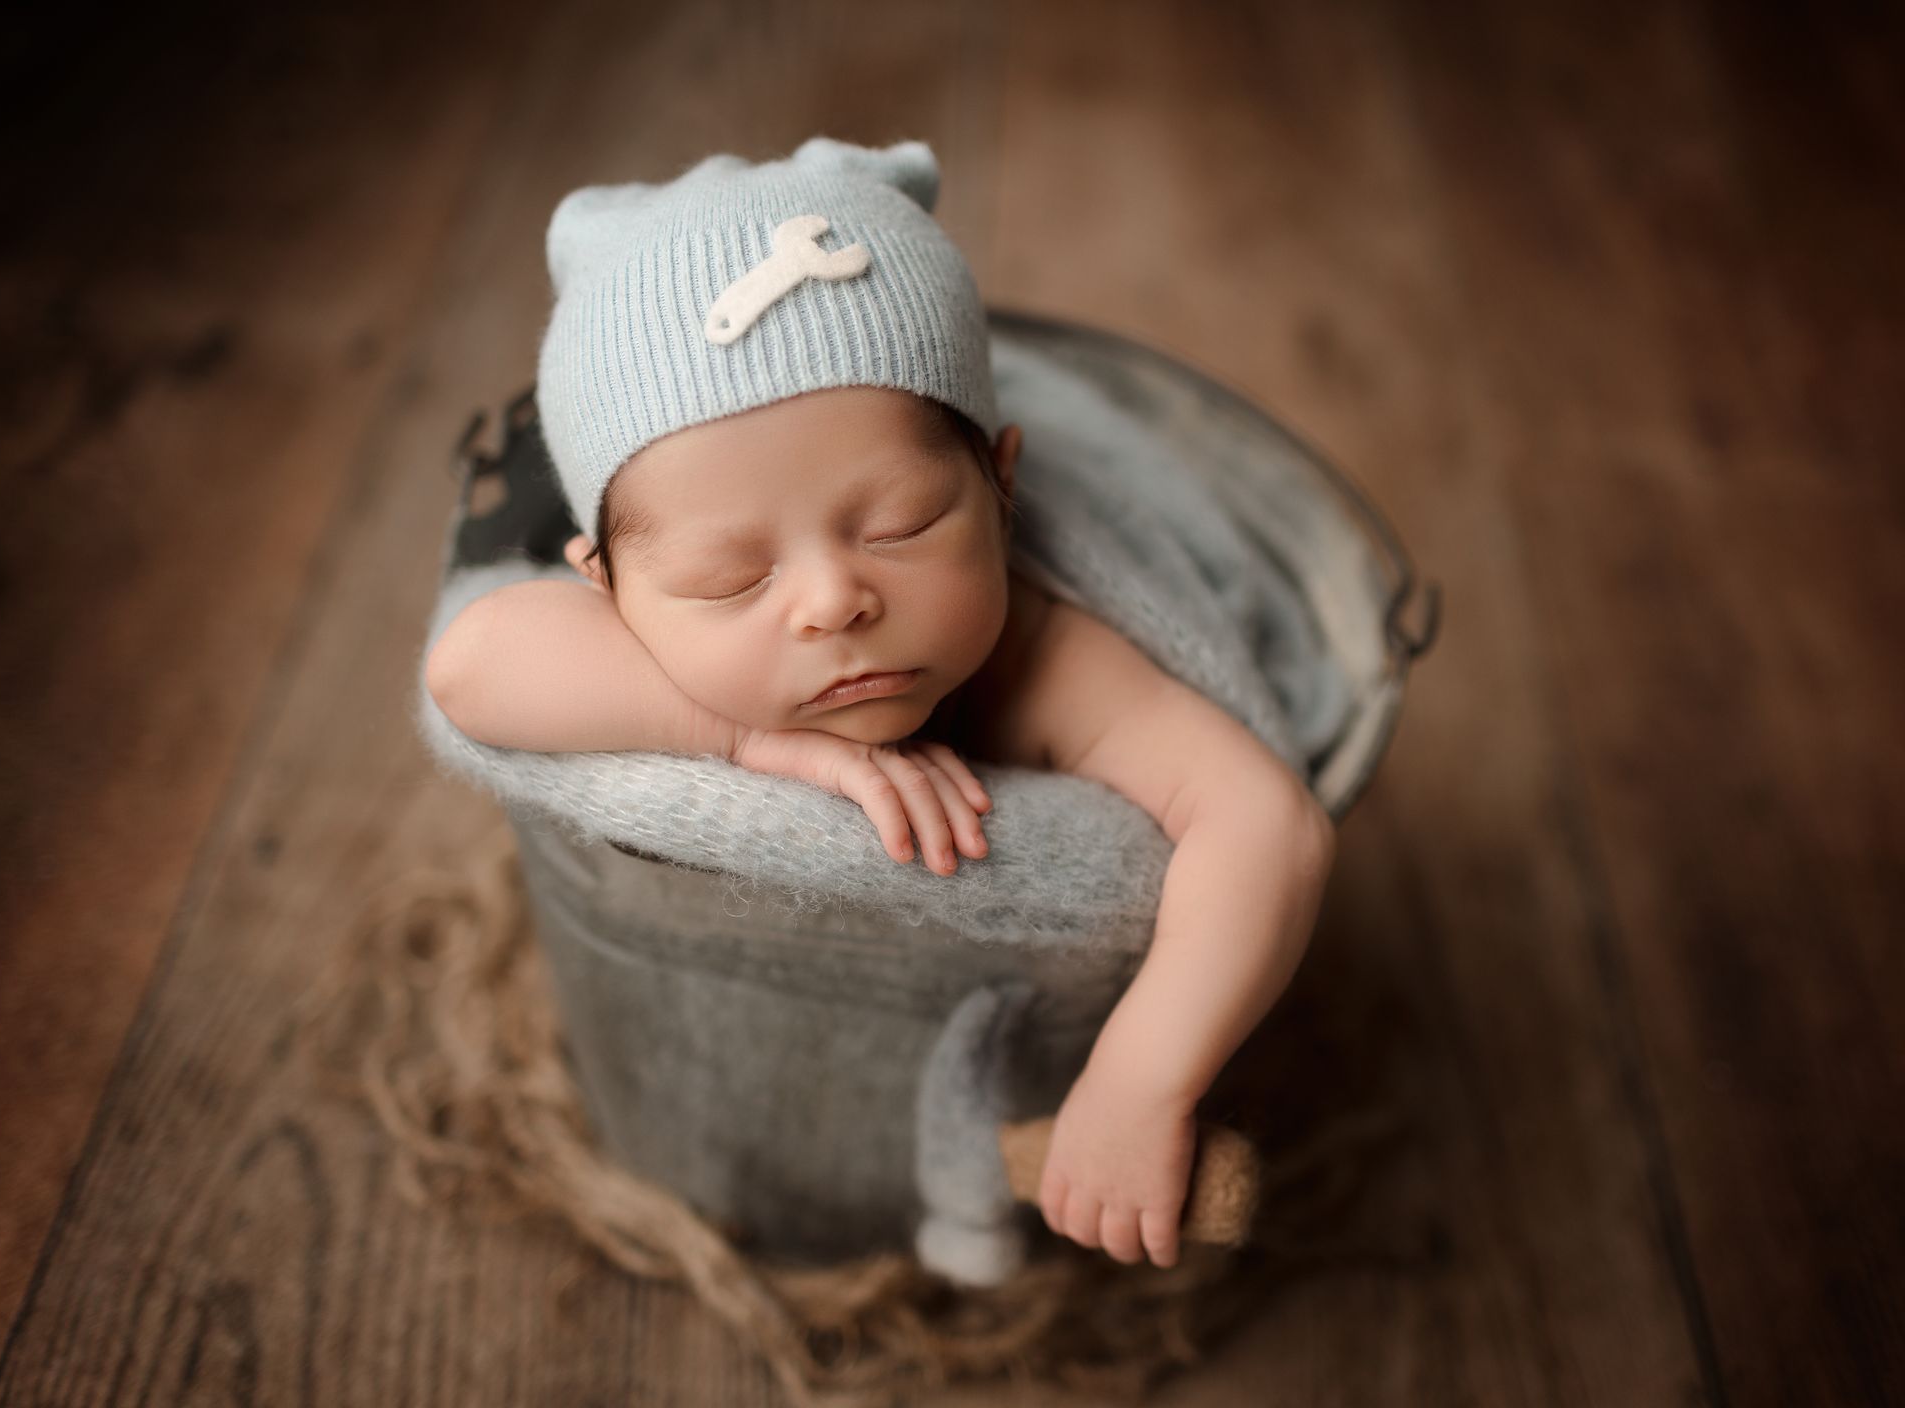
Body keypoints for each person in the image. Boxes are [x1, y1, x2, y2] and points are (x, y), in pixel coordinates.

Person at [424, 136, 1335, 1271]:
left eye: (902, 524)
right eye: (730, 579)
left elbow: (1265, 820)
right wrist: (751, 738)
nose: (833, 600)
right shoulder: (622, 628)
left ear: (1002, 486)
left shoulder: (1044, 658)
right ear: (606, 586)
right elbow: (468, 666)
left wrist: (1137, 1082)